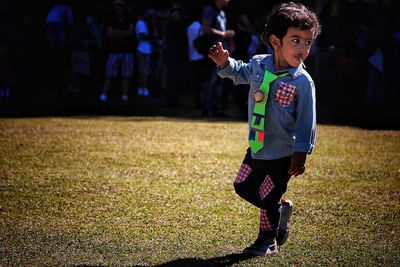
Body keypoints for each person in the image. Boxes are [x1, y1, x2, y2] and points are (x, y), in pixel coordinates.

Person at [208, 2, 321, 256]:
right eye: (296, 40)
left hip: (283, 154)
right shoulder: (259, 65)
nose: (303, 48)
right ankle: (279, 211)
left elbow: (306, 121)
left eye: (308, 42)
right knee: (243, 187)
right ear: (275, 40)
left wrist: (301, 153)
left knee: (268, 197)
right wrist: (226, 63)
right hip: (257, 145)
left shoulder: (302, 82)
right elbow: (240, 73)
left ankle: (267, 240)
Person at [201, 0, 235, 117]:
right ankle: (206, 110)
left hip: (222, 53)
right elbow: (206, 29)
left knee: (219, 81)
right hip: (213, 52)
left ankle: (216, 110)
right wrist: (224, 34)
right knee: (210, 81)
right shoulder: (209, 10)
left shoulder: (222, 13)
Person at [99, 0, 135, 103]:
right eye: (116, 7)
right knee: (108, 74)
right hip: (113, 51)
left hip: (127, 51)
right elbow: (109, 33)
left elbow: (130, 32)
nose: (117, 9)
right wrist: (122, 33)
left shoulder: (129, 19)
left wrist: (117, 32)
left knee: (126, 75)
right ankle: (103, 96)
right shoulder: (111, 20)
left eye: (120, 7)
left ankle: (124, 96)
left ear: (124, 8)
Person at [135, 10, 153, 97]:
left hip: (143, 49)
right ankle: (144, 89)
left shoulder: (142, 23)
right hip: (143, 50)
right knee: (144, 71)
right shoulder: (141, 23)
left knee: (142, 71)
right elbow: (142, 35)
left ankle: (141, 89)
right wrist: (154, 38)